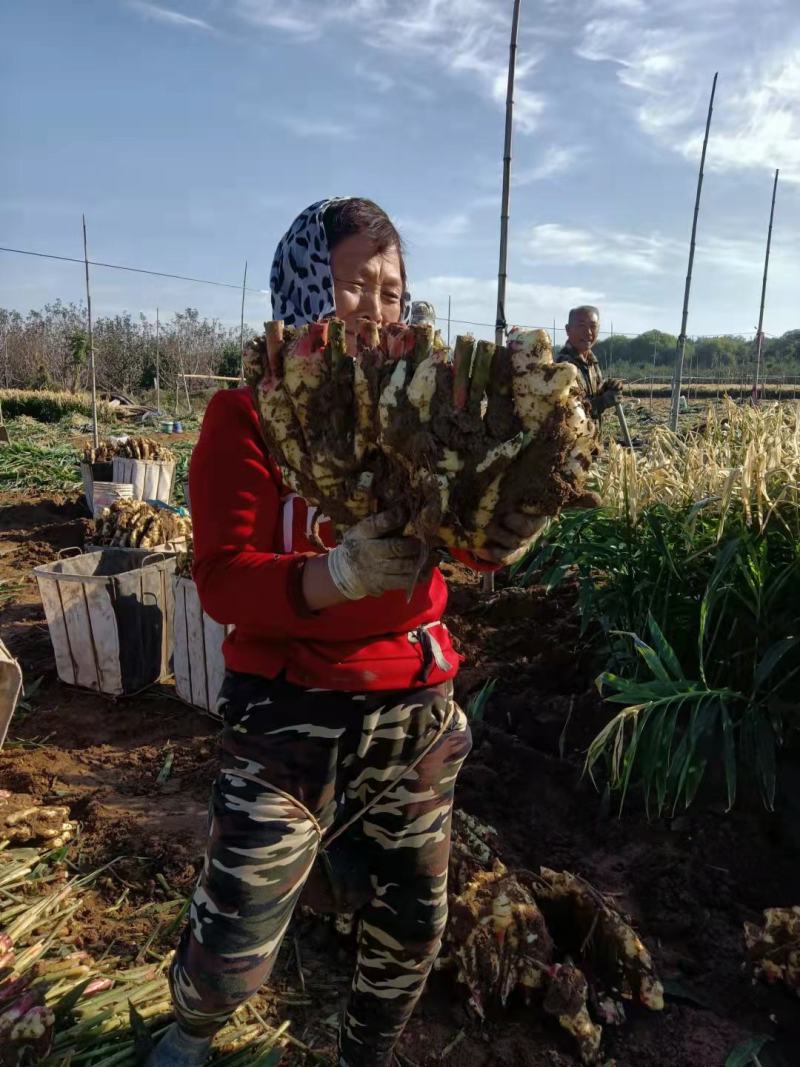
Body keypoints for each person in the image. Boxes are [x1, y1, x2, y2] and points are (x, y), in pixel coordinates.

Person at [148, 197, 544, 1067]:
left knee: (413, 922)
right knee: (236, 941)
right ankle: (189, 1031)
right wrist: (334, 576)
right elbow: (220, 578)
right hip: (287, 707)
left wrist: (511, 519)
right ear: (303, 287)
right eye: (354, 283)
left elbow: (470, 546)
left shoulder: (427, 411)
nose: (375, 306)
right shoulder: (248, 416)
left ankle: (364, 1052)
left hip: (414, 703)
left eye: (392, 290)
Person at [556, 305, 622, 422]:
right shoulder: (562, 365)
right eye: (581, 326)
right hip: (573, 438)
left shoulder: (591, 360)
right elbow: (568, 413)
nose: (588, 332)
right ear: (568, 330)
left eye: (593, 326)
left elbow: (595, 391)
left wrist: (608, 387)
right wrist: (602, 402)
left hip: (592, 437)